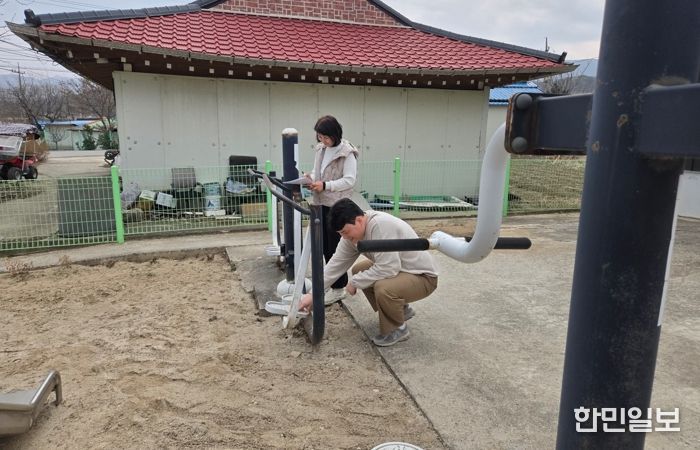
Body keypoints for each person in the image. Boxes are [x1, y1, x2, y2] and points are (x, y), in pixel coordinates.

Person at [299, 198, 438, 347]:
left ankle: (397, 329)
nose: (344, 237)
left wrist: (355, 282)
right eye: (341, 233)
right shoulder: (352, 235)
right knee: (359, 270)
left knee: (383, 288)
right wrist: (313, 294)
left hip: (422, 276)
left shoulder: (380, 226)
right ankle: (401, 311)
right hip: (402, 269)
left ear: (359, 220)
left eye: (345, 232)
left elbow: (389, 268)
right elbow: (335, 265)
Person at [305, 115, 359, 305]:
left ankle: (338, 288)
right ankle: (329, 284)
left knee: (334, 249)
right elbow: (317, 171)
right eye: (320, 136)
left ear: (335, 134)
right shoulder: (321, 149)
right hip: (320, 203)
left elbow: (349, 180)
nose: (323, 140)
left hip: (337, 206)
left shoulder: (347, 153)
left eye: (326, 137)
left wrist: (326, 185)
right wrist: (311, 178)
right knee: (322, 247)